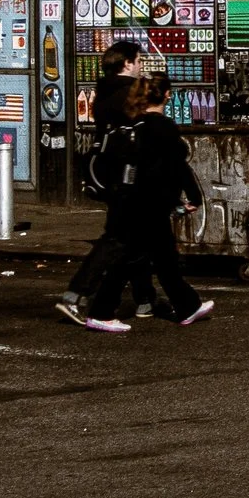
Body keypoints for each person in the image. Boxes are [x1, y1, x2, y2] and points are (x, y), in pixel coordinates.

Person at [68, 75, 212, 333]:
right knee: (134, 259)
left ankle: (187, 306)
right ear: (166, 95)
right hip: (151, 202)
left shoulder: (134, 124)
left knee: (158, 257)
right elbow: (177, 166)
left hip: (132, 199)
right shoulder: (163, 127)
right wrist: (193, 197)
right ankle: (102, 311)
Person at [61, 42, 157, 316]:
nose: (141, 65)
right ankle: (77, 294)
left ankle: (145, 299)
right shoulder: (129, 94)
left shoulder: (104, 92)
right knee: (117, 237)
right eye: (138, 60)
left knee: (135, 238)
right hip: (126, 176)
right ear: (127, 63)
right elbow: (143, 131)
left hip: (111, 172)